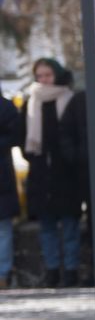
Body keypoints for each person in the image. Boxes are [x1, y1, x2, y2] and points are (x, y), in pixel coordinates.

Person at [23, 58, 89, 287]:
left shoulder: (71, 100)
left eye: (48, 75)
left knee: (70, 226)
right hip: (41, 174)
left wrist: (72, 157)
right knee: (47, 227)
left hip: (67, 174)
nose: (44, 80)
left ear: (57, 75)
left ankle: (71, 271)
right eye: (40, 76)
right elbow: (24, 140)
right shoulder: (31, 103)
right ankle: (52, 271)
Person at [0, 91, 21, 288]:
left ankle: (3, 275)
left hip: (2, 177)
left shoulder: (5, 107)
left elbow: (15, 135)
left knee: (3, 229)